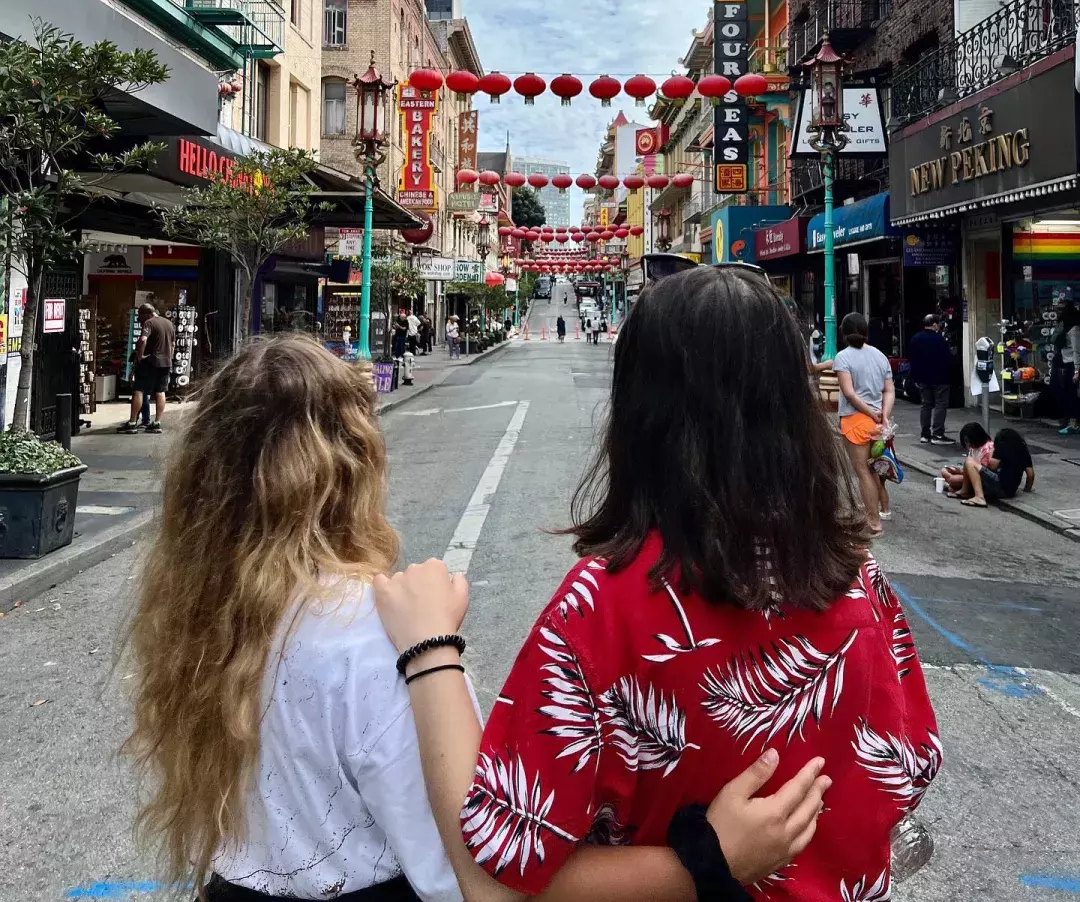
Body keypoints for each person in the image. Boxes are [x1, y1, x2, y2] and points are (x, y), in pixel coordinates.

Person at [124, 334, 834, 902]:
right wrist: (434, 654)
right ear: (355, 462)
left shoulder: (201, 618)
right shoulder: (375, 635)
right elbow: (473, 880)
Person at [375, 267, 938, 902]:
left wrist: (430, 652)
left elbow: (494, 876)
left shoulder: (602, 608)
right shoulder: (858, 578)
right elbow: (907, 766)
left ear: (640, 410)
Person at [831, 312, 895, 536]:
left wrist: (869, 411)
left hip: (855, 421)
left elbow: (848, 393)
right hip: (878, 424)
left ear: (844, 332)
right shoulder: (880, 356)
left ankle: (873, 522)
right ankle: (874, 513)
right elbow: (888, 390)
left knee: (862, 472)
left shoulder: (843, 357)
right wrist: (883, 415)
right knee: (873, 470)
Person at [952, 426, 1034, 507]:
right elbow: (1030, 475)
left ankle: (979, 497)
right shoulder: (1023, 452)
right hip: (1011, 491)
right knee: (969, 464)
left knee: (969, 462)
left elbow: (993, 466)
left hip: (1000, 485)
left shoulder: (1001, 446)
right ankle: (965, 491)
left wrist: (981, 464)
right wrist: (1026, 490)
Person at [124, 303, 175, 434]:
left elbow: (142, 339)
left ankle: (132, 423)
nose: (140, 321)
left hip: (151, 361)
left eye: (140, 317)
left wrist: (140, 356)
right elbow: (173, 344)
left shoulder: (149, 323)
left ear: (145, 313)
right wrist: (169, 357)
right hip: (166, 362)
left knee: (138, 390)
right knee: (160, 392)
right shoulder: (169, 323)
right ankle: (157, 423)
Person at [907, 314, 955, 445]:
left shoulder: (915, 339)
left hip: (922, 378)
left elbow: (912, 359)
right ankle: (937, 434)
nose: (939, 326)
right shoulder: (939, 339)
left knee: (926, 404)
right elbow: (948, 359)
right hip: (940, 377)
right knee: (940, 404)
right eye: (938, 324)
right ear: (934, 324)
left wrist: (915, 377)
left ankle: (925, 434)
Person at [940, 421, 996, 494]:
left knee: (954, 479)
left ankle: (953, 487)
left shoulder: (987, 448)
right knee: (944, 470)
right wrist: (960, 470)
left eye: (969, 441)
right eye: (966, 441)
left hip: (980, 479)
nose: (968, 444)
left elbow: (982, 472)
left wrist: (961, 472)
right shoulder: (973, 448)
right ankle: (953, 486)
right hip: (969, 474)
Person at [1051, 300, 1080, 435]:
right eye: (1057, 309)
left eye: (1061, 309)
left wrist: (1076, 370)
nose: (1058, 312)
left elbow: (1076, 350)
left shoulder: (1073, 328)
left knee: (1072, 395)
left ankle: (1074, 423)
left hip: (1072, 365)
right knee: (1066, 394)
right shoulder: (1062, 326)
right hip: (1064, 362)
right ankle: (1069, 420)